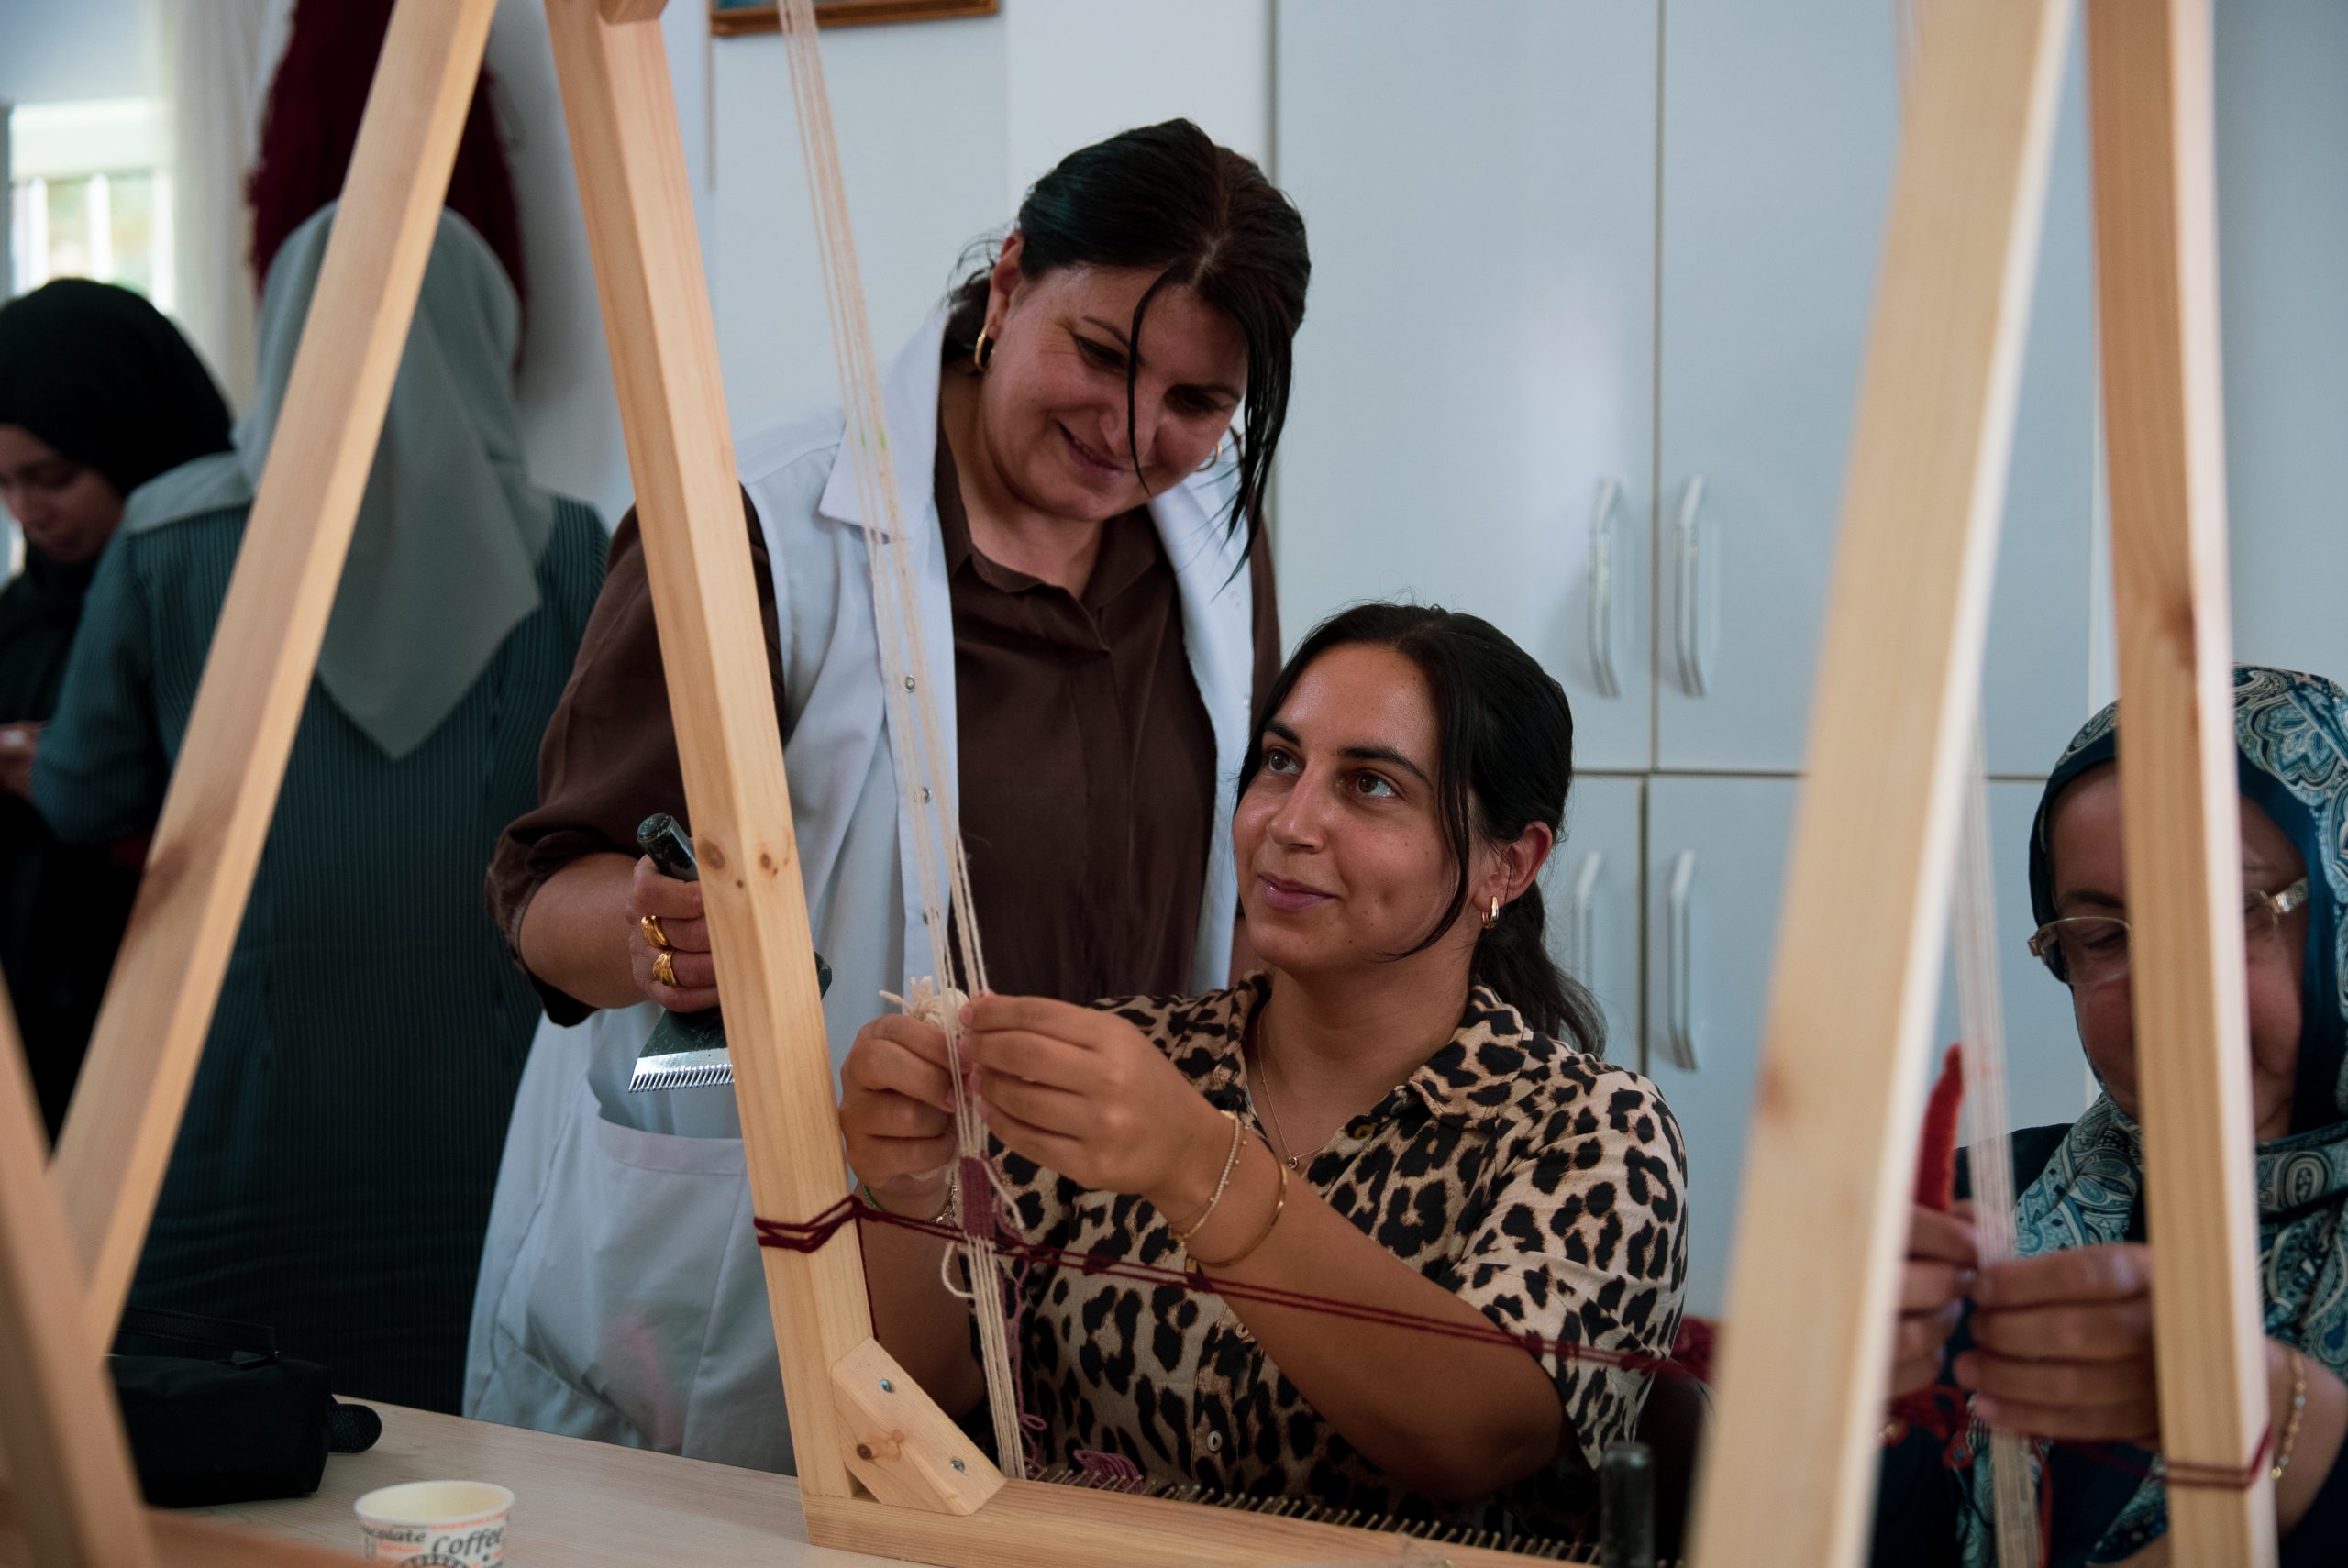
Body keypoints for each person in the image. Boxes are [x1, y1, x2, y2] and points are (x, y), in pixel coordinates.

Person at [467, 119, 1308, 1470]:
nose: (1130, 430)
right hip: (764, 1258)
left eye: (1196, 403)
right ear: (1011, 279)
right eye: (1101, 354)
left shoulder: (1212, 551)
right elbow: (540, 892)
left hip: (1094, 1273)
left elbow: (1238, 890)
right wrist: (647, 929)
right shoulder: (760, 527)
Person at [840, 603, 1688, 1543]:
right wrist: (909, 1190)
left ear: (1509, 864)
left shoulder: (1596, 1132)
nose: (1289, 821)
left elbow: (1478, 1437)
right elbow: (941, 1394)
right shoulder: (1130, 1057)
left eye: (1370, 785)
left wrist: (1197, 1163)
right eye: (1281, 763)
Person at [32, 191, 606, 1413]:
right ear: (485, 327)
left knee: (228, 1434)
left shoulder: (168, 538)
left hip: (239, 1110)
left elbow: (82, 797)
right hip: (489, 1111)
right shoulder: (570, 550)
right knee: (493, 1440)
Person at [1878, 666, 2348, 1565]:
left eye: (2222, 915)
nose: (2164, 994)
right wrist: (1859, 1405)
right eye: (2100, 937)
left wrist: (2296, 1430)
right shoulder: (1981, 1209)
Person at [0, 281, 232, 1136]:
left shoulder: (226, 607)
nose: (28, 513)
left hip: (173, 1024)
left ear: (130, 436)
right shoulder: (20, 619)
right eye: (4, 484)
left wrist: (65, 776)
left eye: (53, 478)